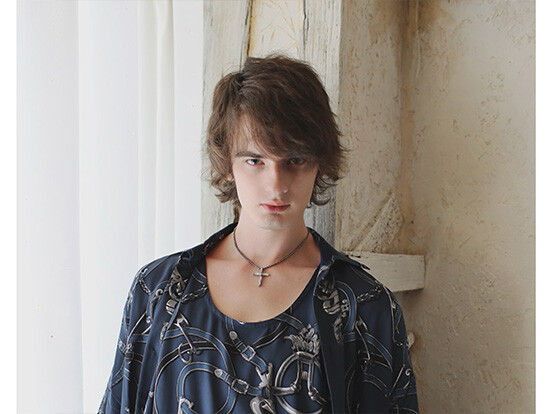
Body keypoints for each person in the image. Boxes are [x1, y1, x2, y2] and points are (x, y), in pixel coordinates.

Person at [99, 54, 419, 414]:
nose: (276, 184)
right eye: (255, 160)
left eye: (294, 160)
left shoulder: (363, 306)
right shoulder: (158, 291)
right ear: (227, 163)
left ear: (319, 162)